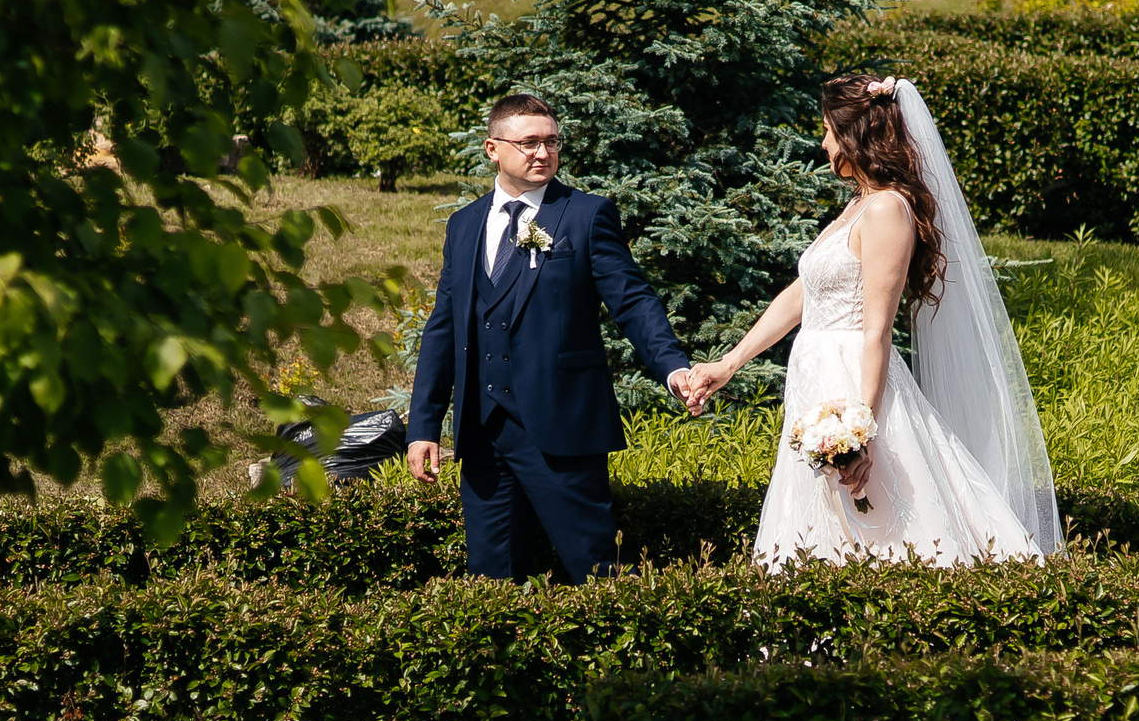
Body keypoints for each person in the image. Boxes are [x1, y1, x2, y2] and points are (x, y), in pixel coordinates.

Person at [689, 75, 1061, 567]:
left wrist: (861, 430)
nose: (822, 142)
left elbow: (877, 330)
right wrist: (730, 363)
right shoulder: (856, 206)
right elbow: (806, 293)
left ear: (853, 135)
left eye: (827, 130)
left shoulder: (886, 209)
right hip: (816, 378)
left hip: (852, 382)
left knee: (886, 527)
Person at [405, 93, 701, 581]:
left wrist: (672, 367)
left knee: (597, 571)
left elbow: (632, 300)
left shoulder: (585, 215)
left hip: (562, 427)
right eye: (528, 143)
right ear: (492, 148)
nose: (542, 153)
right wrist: (423, 427)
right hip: (482, 432)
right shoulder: (463, 225)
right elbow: (443, 327)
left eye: (551, 142)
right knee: (490, 580)